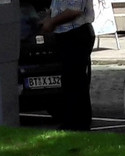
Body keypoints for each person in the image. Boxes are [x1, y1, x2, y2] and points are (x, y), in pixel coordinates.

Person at [39, 0, 94, 131]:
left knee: (76, 79)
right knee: (69, 80)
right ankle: (71, 121)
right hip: (64, 35)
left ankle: (79, 124)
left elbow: (74, 11)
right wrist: (48, 17)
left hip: (76, 33)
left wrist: (51, 22)